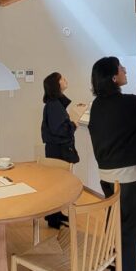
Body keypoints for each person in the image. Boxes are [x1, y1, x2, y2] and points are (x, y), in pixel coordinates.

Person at [88, 57, 136, 271]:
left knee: (114, 222)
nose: (125, 70)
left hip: (105, 175)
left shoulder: (97, 105)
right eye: (121, 68)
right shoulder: (130, 103)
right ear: (114, 77)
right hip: (127, 177)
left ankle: (117, 266)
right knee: (130, 227)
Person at [41, 71, 79, 229]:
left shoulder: (55, 103)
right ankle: (53, 218)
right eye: (62, 78)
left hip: (57, 148)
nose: (65, 79)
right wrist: (73, 124)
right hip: (58, 150)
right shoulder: (54, 105)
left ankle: (56, 215)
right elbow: (60, 129)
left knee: (57, 183)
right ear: (56, 84)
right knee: (57, 184)